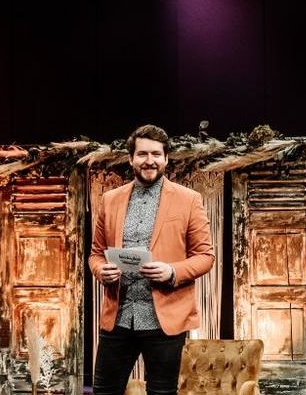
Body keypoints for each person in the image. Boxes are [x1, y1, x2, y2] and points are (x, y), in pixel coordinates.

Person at [89, 124, 214, 395]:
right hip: (119, 317)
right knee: (104, 391)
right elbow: (96, 254)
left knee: (162, 392)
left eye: (156, 154)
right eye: (142, 154)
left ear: (166, 158)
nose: (150, 161)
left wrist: (172, 271)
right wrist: (101, 271)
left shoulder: (189, 199)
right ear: (131, 158)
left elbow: (205, 256)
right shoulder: (110, 200)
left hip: (165, 320)